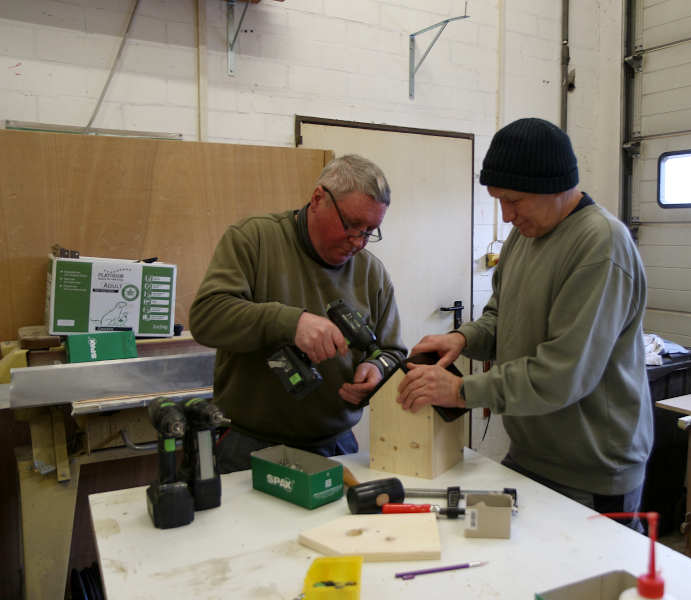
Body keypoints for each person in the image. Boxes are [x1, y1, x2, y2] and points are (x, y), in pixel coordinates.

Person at [397, 118, 653, 523]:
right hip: (530, 454)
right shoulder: (524, 236)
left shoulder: (600, 245)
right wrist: (463, 340)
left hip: (592, 472)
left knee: (586, 584)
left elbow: (562, 374)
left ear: (555, 186)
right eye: (498, 200)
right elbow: (502, 317)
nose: (506, 215)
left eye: (514, 201)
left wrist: (462, 390)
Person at [191, 154, 407, 473]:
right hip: (248, 446)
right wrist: (291, 323)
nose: (358, 241)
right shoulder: (254, 240)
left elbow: (393, 352)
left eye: (370, 231)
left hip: (336, 447)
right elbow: (207, 318)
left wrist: (377, 370)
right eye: (351, 225)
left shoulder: (371, 273)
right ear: (318, 198)